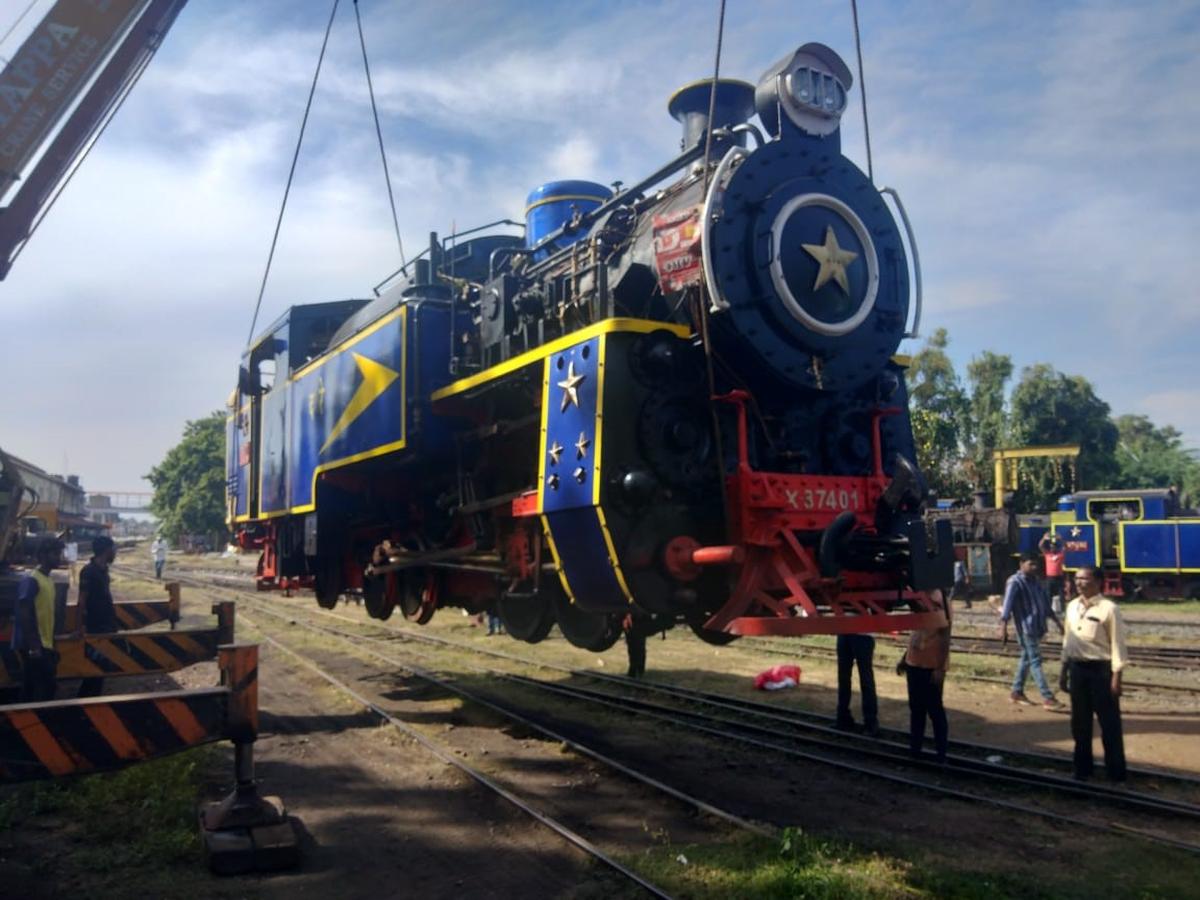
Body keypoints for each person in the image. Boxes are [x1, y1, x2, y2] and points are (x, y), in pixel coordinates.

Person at [1063, 565, 1128, 782]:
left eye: (1084, 579)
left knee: (1109, 724)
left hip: (1101, 671)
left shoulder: (1109, 609)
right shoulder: (1072, 606)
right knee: (1080, 724)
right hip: (1077, 670)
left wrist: (1116, 676)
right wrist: (1064, 669)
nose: (1079, 583)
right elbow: (1067, 639)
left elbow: (1118, 644)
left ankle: (1116, 773)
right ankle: (1082, 770)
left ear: (1098, 582)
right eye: (1076, 578)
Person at [1000, 553, 1064, 710]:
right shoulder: (1014, 582)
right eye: (1031, 564)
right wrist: (1003, 628)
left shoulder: (1036, 582)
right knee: (1035, 660)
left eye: (1036, 564)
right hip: (1025, 628)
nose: (1035, 567)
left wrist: (1058, 622)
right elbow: (1007, 606)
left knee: (1026, 659)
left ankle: (1016, 692)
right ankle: (1047, 697)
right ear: (1021, 564)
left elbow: (1045, 604)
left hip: (1038, 626)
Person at [11, 536, 63, 702]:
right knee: (44, 686)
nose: (59, 557)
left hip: (43, 643)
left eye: (59, 553)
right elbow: (24, 612)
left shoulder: (48, 580)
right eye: (55, 554)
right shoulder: (32, 580)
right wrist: (34, 646)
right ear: (42, 556)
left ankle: (23, 722)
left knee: (33, 687)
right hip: (33, 645)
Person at [901, 618, 951, 762]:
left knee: (935, 711)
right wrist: (905, 658)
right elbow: (916, 633)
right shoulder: (919, 601)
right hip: (914, 664)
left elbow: (945, 636)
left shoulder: (941, 602)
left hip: (931, 666)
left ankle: (941, 753)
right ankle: (915, 750)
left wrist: (939, 667)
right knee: (916, 710)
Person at [77, 535, 118, 698]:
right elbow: (81, 601)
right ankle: (84, 703)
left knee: (100, 671)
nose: (115, 553)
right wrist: (79, 627)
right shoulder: (88, 571)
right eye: (114, 549)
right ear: (107, 550)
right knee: (94, 670)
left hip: (106, 626)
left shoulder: (103, 570)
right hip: (95, 628)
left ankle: (90, 702)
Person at [835, 634, 879, 736]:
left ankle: (871, 722)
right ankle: (843, 718)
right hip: (844, 633)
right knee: (843, 678)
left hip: (863, 634)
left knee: (866, 681)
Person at [1039, 531, 1066, 615]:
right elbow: (1040, 546)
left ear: (1056, 548)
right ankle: (1048, 611)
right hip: (1050, 577)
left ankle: (1062, 611)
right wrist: (1044, 538)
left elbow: (1065, 547)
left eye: (1053, 547)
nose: (1052, 549)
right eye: (1051, 547)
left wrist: (1060, 539)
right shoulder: (1047, 555)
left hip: (1059, 577)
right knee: (1048, 594)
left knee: (1061, 594)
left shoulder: (1060, 555)